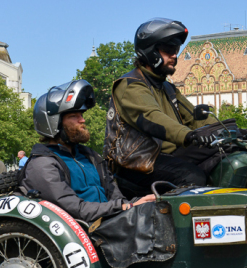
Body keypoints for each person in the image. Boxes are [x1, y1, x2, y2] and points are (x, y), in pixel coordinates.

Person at [20, 80, 155, 223]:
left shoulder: (90, 156)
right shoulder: (42, 164)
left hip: (110, 221)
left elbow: (115, 196)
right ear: (54, 123)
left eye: (81, 114)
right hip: (86, 231)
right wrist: (125, 207)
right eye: (74, 116)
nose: (82, 120)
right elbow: (76, 210)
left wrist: (134, 205)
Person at [109, 18, 218, 190]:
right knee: (191, 175)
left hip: (168, 156)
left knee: (226, 156)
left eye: (175, 50)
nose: (174, 56)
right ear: (151, 52)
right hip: (138, 163)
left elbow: (196, 118)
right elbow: (151, 117)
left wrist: (232, 131)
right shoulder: (130, 85)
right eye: (168, 50)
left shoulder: (167, 88)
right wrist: (188, 135)